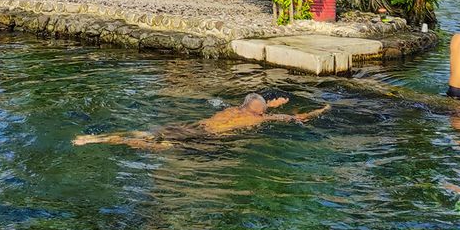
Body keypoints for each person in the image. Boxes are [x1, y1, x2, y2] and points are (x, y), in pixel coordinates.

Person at [73, 90, 330, 150]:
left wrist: (270, 104)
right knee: (161, 147)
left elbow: (255, 104)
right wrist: (322, 110)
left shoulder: (233, 109)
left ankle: (97, 138)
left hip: (196, 124)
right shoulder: (259, 120)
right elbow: (297, 117)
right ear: (261, 112)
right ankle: (114, 141)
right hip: (205, 136)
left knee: (148, 133)